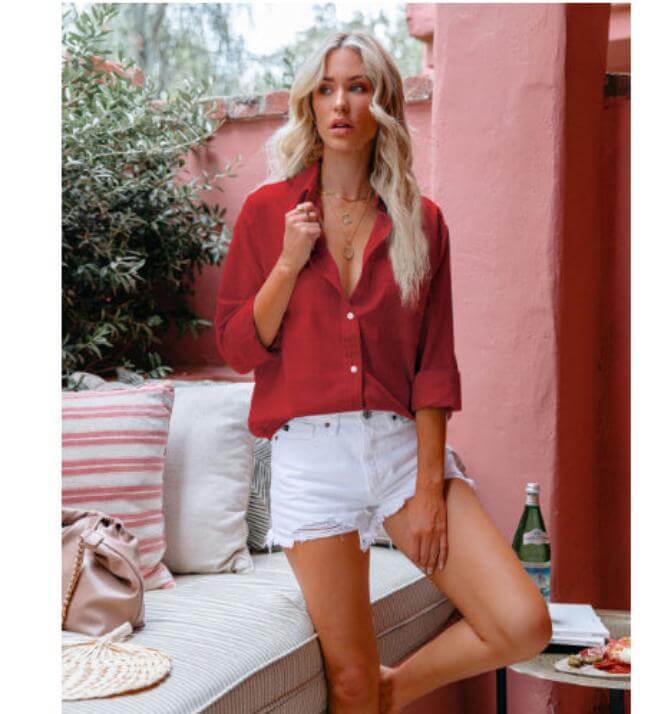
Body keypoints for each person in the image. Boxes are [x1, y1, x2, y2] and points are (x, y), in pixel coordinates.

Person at [215, 31, 552, 714]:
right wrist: (289, 258)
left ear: (384, 103)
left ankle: (392, 689)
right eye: (326, 88)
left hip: (399, 451)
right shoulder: (265, 213)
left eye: (358, 87)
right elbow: (239, 349)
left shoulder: (420, 223)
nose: (340, 103)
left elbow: (433, 363)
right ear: (310, 103)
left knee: (523, 622)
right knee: (348, 683)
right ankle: (369, 691)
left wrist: (430, 488)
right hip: (310, 460)